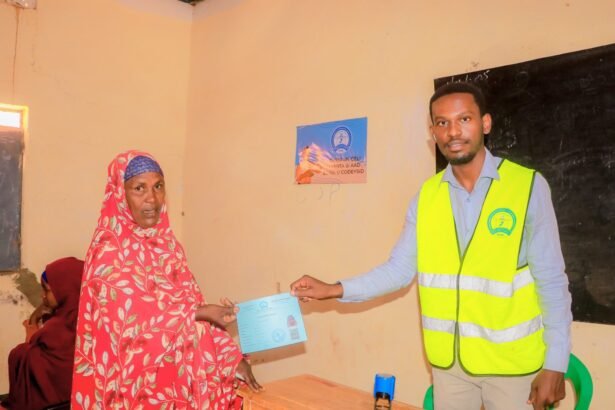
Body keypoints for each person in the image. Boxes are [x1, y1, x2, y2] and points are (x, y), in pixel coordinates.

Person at [290, 82, 572, 410]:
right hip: (449, 369)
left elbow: (552, 281)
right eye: (442, 122)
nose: (453, 131)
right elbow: (398, 270)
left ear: (485, 123)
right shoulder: (426, 197)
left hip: (512, 369)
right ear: (433, 132)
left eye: (464, 119)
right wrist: (333, 289)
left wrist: (555, 363)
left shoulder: (528, 187)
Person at [71, 151, 261, 410]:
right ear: (120, 194)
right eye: (139, 188)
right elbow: (133, 321)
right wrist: (199, 312)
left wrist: (231, 359)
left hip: (177, 384)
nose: (152, 198)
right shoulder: (108, 252)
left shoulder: (168, 247)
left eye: (158, 186)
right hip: (134, 390)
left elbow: (194, 303)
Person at [1, 257, 84, 410]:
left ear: (65, 291)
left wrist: (31, 333)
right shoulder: (88, 321)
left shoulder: (56, 329)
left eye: (46, 290)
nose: (43, 296)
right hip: (78, 402)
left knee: (21, 353)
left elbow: (34, 362)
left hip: (52, 404)